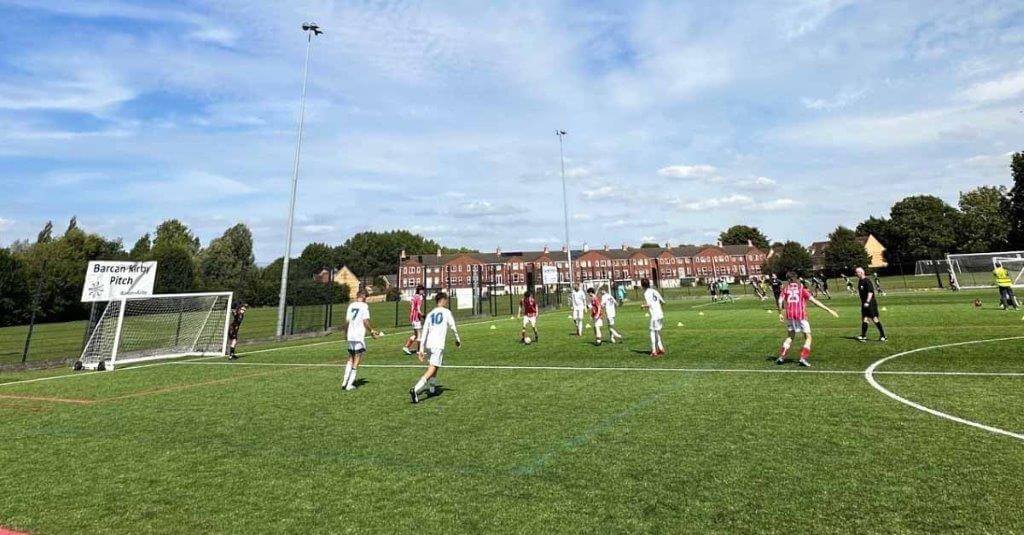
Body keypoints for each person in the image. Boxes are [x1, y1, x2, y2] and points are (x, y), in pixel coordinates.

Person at [776, 271, 839, 367]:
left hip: (790, 315)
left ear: (788, 279)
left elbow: (780, 301)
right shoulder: (801, 289)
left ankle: (781, 357)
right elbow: (814, 301)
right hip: (801, 315)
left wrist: (780, 313)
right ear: (796, 278)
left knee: (790, 337)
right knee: (808, 337)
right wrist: (828, 310)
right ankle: (803, 358)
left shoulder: (785, 289)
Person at [410, 292, 461, 404]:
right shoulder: (446, 312)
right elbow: (453, 326)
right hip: (438, 345)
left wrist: (421, 349)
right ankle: (415, 389)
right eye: (446, 300)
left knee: (436, 366)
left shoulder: (430, 314)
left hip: (429, 344)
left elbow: (424, 332)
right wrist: (457, 339)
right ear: (442, 300)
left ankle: (432, 389)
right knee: (432, 367)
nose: (446, 302)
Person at [343, 290, 380, 390]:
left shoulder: (351, 306)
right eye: (366, 297)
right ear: (363, 296)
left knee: (351, 357)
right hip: (358, 335)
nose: (366, 299)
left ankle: (344, 381)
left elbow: (347, 321)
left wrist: (346, 334)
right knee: (357, 358)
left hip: (350, 334)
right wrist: (372, 331)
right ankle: (350, 384)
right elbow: (365, 321)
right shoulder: (364, 306)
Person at [855, 267, 886, 342]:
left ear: (861, 273)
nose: (855, 274)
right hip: (864, 303)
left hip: (870, 303)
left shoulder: (867, 281)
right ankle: (863, 336)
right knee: (864, 319)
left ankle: (883, 336)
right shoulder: (860, 281)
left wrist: (867, 302)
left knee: (874, 319)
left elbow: (870, 292)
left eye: (857, 272)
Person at [640, 278, 666, 357]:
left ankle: (654, 350)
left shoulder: (646, 293)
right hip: (660, 314)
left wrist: (643, 306)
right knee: (657, 331)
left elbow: (649, 304)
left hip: (655, 315)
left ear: (642, 285)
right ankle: (661, 348)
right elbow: (663, 301)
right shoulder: (654, 291)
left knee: (652, 332)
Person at [403, 285, 426, 355]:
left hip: (412, 317)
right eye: (422, 290)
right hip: (416, 318)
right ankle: (419, 351)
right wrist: (422, 315)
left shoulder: (413, 296)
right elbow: (418, 309)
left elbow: (412, 306)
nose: (423, 291)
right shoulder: (419, 297)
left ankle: (406, 347)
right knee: (419, 334)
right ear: (420, 290)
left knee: (416, 335)